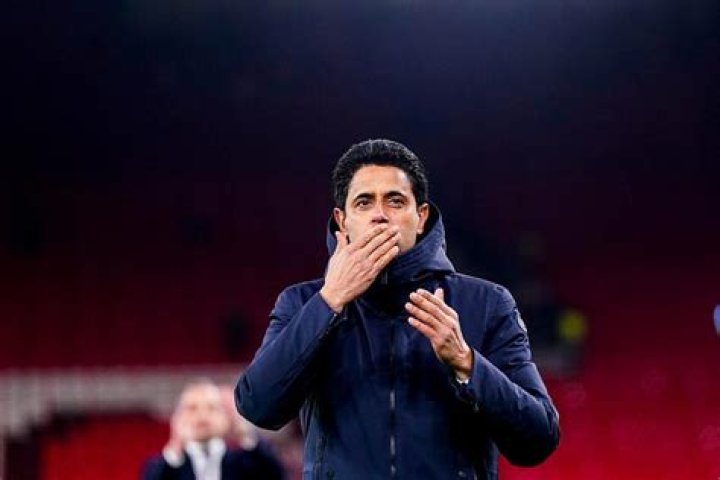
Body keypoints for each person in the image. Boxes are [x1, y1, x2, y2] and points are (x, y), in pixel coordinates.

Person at [235, 139, 560, 479]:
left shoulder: (487, 303)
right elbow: (258, 406)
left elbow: (537, 440)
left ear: (420, 217)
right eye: (364, 202)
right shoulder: (302, 303)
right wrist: (328, 302)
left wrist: (467, 363)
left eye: (395, 200)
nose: (380, 214)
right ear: (342, 221)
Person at [142, 379, 284, 480]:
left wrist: (243, 432)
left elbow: (276, 475)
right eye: (192, 408)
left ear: (226, 416)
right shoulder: (166, 466)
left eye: (211, 408)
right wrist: (176, 444)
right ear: (178, 417)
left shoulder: (244, 462)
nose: (202, 416)